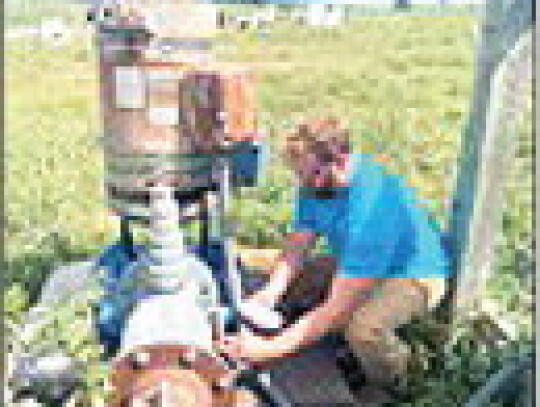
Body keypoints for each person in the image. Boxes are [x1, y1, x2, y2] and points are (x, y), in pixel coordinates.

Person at [221, 118, 449, 393]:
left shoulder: (371, 211)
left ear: (340, 161)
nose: (305, 184)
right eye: (300, 175)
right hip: (355, 259)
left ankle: (404, 382)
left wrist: (267, 350)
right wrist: (270, 293)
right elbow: (297, 246)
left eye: (312, 174)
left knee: (363, 329)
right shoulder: (317, 182)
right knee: (283, 278)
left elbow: (334, 311)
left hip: (414, 275)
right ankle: (302, 328)